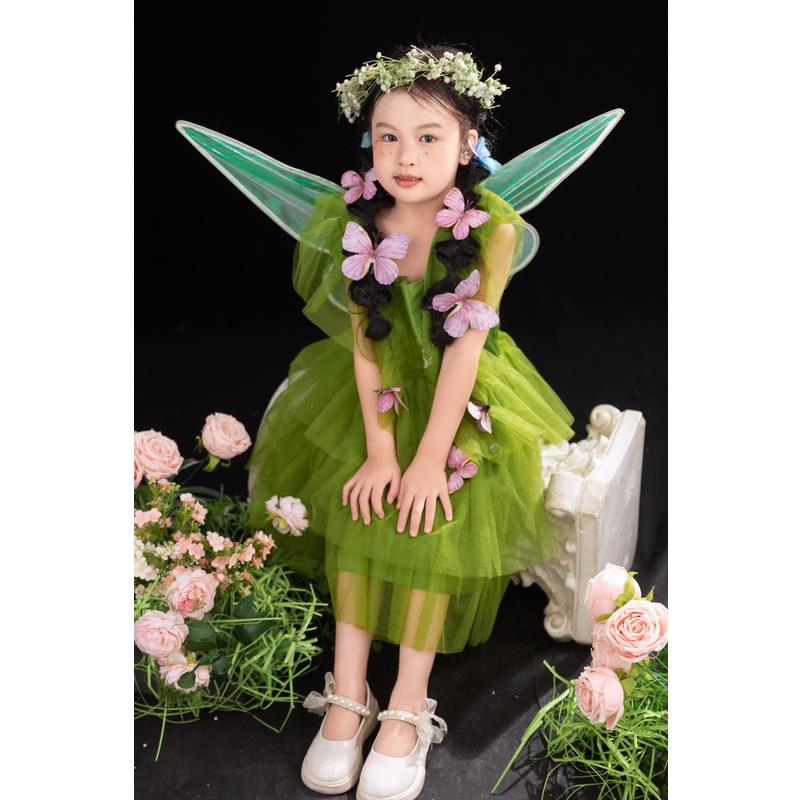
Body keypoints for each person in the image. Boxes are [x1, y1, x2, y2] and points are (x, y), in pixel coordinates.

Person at [179, 40, 622, 800]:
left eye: (428, 137)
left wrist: (425, 460)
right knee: (360, 502)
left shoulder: (490, 228)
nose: (406, 157)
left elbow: (463, 354)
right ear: (368, 142)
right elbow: (364, 347)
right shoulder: (357, 220)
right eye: (388, 137)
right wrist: (384, 453)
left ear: (468, 144)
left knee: (435, 513)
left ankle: (409, 703)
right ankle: (347, 692)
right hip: (377, 392)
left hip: (462, 398)